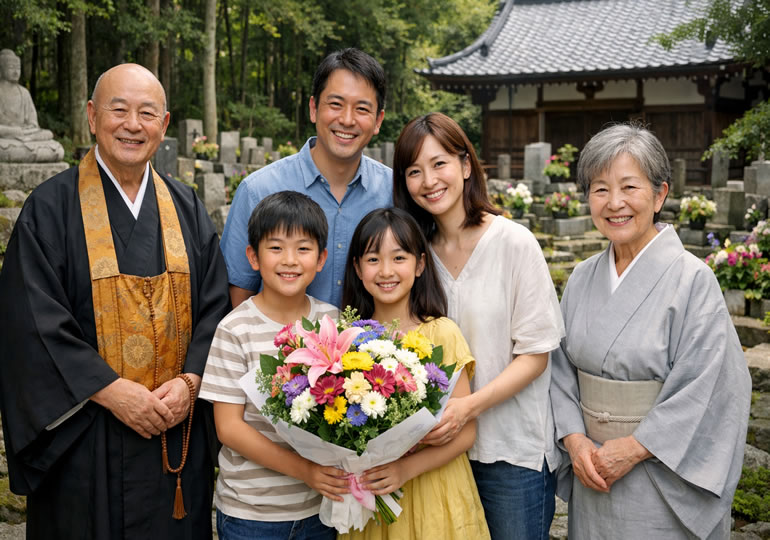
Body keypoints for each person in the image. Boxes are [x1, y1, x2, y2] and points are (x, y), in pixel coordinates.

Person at [0, 63, 231, 539]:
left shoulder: (186, 207)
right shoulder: (49, 209)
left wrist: (191, 383)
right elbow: (31, 324)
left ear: (163, 125)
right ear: (91, 116)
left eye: (147, 113)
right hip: (86, 442)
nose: (132, 124)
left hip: (174, 437)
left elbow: (216, 308)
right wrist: (109, 390)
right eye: (118, 109)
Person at [549, 123, 751, 539]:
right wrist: (573, 438)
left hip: (659, 470)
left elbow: (711, 385)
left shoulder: (693, 280)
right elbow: (558, 369)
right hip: (593, 469)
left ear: (660, 194)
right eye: (600, 189)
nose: (614, 203)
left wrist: (637, 447)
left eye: (629, 187)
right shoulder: (582, 277)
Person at [392, 112, 565, 540]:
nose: (428, 180)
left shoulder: (513, 242)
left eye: (439, 164)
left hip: (511, 452)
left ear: (466, 166)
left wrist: (469, 407)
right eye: (414, 171)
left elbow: (535, 355)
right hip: (439, 451)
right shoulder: (414, 256)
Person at [200, 191, 351, 540]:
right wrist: (305, 470)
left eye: (303, 248)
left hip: (320, 509)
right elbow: (229, 429)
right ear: (253, 257)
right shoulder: (234, 329)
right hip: (252, 512)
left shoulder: (332, 323)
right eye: (275, 247)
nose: (290, 260)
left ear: (321, 258)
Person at [338, 207, 490, 540]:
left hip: (435, 488)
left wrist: (405, 468)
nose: (386, 271)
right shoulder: (347, 340)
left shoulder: (442, 334)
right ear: (357, 268)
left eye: (399, 258)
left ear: (420, 264)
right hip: (370, 494)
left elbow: (465, 434)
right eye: (373, 259)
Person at [221, 48, 392, 310]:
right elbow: (238, 294)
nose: (346, 120)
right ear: (313, 108)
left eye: (362, 109)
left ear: (378, 120)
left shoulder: (394, 191)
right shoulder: (258, 190)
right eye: (335, 104)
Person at [0, 48, 64, 162]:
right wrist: (15, 131)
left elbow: (33, 123)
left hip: (28, 136)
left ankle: (27, 148)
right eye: (11, 68)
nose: (16, 72)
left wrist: (30, 128)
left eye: (18, 68)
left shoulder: (24, 93)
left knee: (54, 145)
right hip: (6, 138)